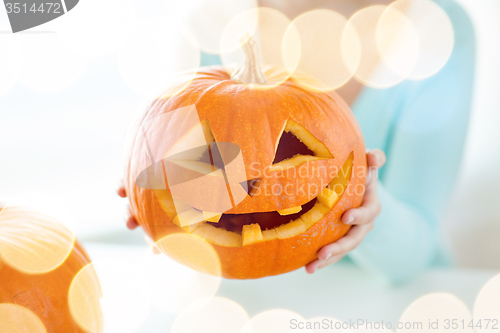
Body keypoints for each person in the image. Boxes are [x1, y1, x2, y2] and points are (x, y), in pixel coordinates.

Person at [118, 0, 475, 284]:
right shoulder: (210, 22)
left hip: (390, 302)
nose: (259, 182)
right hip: (239, 305)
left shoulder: (436, 28)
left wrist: (363, 208)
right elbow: (188, 201)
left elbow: (409, 258)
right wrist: (156, 183)